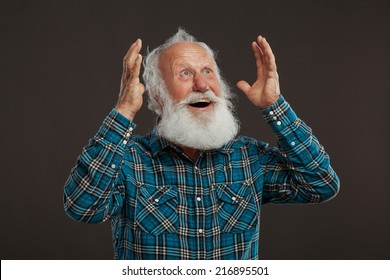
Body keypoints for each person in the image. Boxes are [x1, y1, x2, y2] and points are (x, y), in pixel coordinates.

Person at [63, 28, 340, 260]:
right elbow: (82, 206)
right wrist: (123, 111)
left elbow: (321, 184)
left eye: (208, 72)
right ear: (158, 95)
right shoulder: (129, 160)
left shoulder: (248, 157)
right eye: (184, 73)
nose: (201, 84)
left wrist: (274, 106)